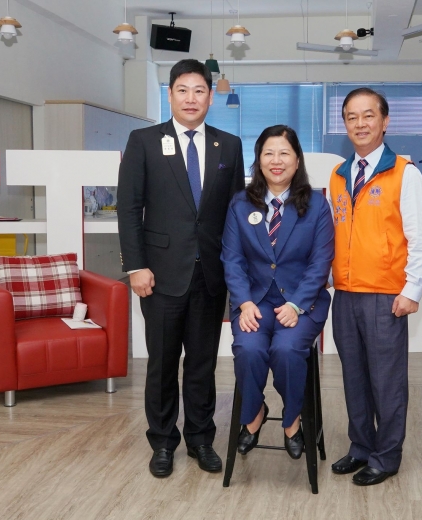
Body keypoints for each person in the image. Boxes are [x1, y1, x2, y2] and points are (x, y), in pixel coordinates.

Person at [117, 59, 245, 478]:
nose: (191, 98)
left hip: (211, 275)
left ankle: (201, 439)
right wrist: (136, 266)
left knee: (203, 364)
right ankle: (162, 442)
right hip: (159, 275)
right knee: (162, 364)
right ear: (170, 94)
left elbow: (236, 212)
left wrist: (236, 270)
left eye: (200, 91)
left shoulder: (228, 145)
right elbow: (129, 209)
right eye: (183, 90)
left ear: (210, 97)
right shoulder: (144, 141)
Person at [328, 88, 422, 486]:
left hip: (386, 295)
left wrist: (412, 290)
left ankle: (386, 456)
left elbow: (420, 237)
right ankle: (360, 447)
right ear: (345, 124)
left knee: (386, 381)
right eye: (352, 117)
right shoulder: (338, 175)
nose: (360, 124)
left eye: (368, 115)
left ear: (384, 122)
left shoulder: (404, 173)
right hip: (345, 294)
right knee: (354, 378)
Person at [221, 125, 334, 459]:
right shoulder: (241, 204)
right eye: (268, 153)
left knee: (286, 351)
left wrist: (297, 305)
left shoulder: (317, 205)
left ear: (297, 160)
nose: (276, 160)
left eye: (284, 153)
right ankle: (254, 412)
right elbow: (232, 259)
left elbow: (321, 262)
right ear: (258, 160)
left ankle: (292, 419)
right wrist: (243, 302)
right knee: (249, 350)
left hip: (301, 303)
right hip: (254, 303)